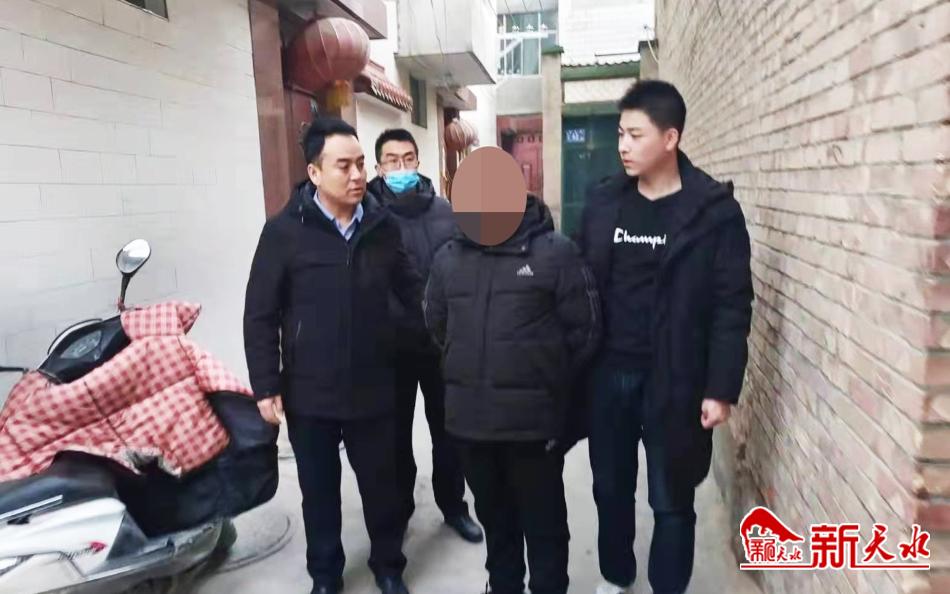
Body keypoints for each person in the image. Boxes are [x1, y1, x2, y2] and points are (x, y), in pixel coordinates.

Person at [575, 80, 754, 594]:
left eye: (635, 135)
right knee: (610, 490)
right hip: (609, 374)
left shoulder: (713, 213)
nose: (623, 145)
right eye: (620, 134)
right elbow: (578, 284)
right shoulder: (604, 203)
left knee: (671, 500)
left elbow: (731, 304)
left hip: (676, 379)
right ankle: (616, 575)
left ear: (670, 137)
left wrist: (721, 388)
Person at [243, 117, 421, 594]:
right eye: (344, 166)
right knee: (319, 494)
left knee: (382, 488)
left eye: (361, 164)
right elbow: (260, 313)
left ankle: (389, 566)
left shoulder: (382, 227)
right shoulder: (284, 232)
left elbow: (412, 291)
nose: (358, 175)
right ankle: (325, 575)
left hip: (374, 385)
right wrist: (266, 385)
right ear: (315, 172)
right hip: (310, 392)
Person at [425, 177, 601, 594]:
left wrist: (545, 375)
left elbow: (586, 330)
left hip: (532, 427)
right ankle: (503, 585)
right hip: (472, 425)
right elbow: (437, 325)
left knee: (544, 525)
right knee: (496, 519)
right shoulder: (448, 257)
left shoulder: (555, 253)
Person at [366, 128, 483, 543]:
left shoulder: (445, 211)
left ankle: (454, 506)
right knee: (394, 437)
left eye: (408, 159)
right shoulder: (367, 216)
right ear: (378, 166)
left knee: (449, 432)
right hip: (391, 347)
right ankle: (399, 512)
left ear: (418, 161)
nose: (401, 167)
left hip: (440, 344)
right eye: (392, 160)